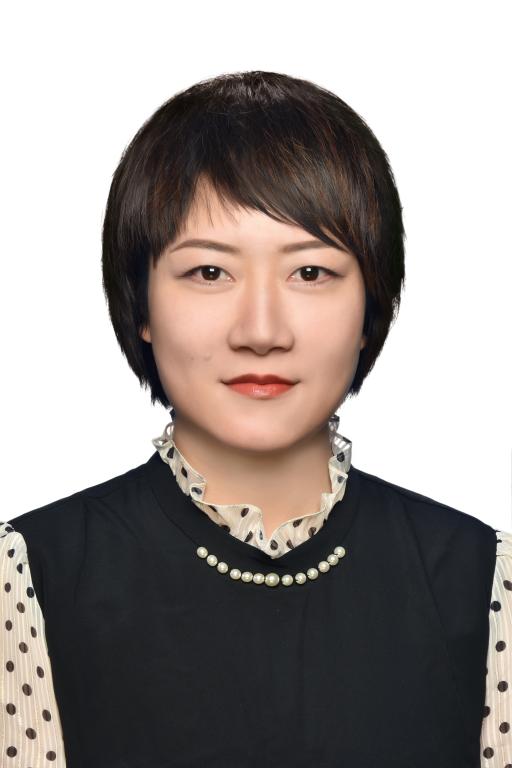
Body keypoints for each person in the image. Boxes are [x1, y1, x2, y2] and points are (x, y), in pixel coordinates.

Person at [1, 70, 510, 767]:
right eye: (209, 273)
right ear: (141, 304)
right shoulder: (26, 577)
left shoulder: (484, 578)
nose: (262, 331)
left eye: (311, 273)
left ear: (371, 306)